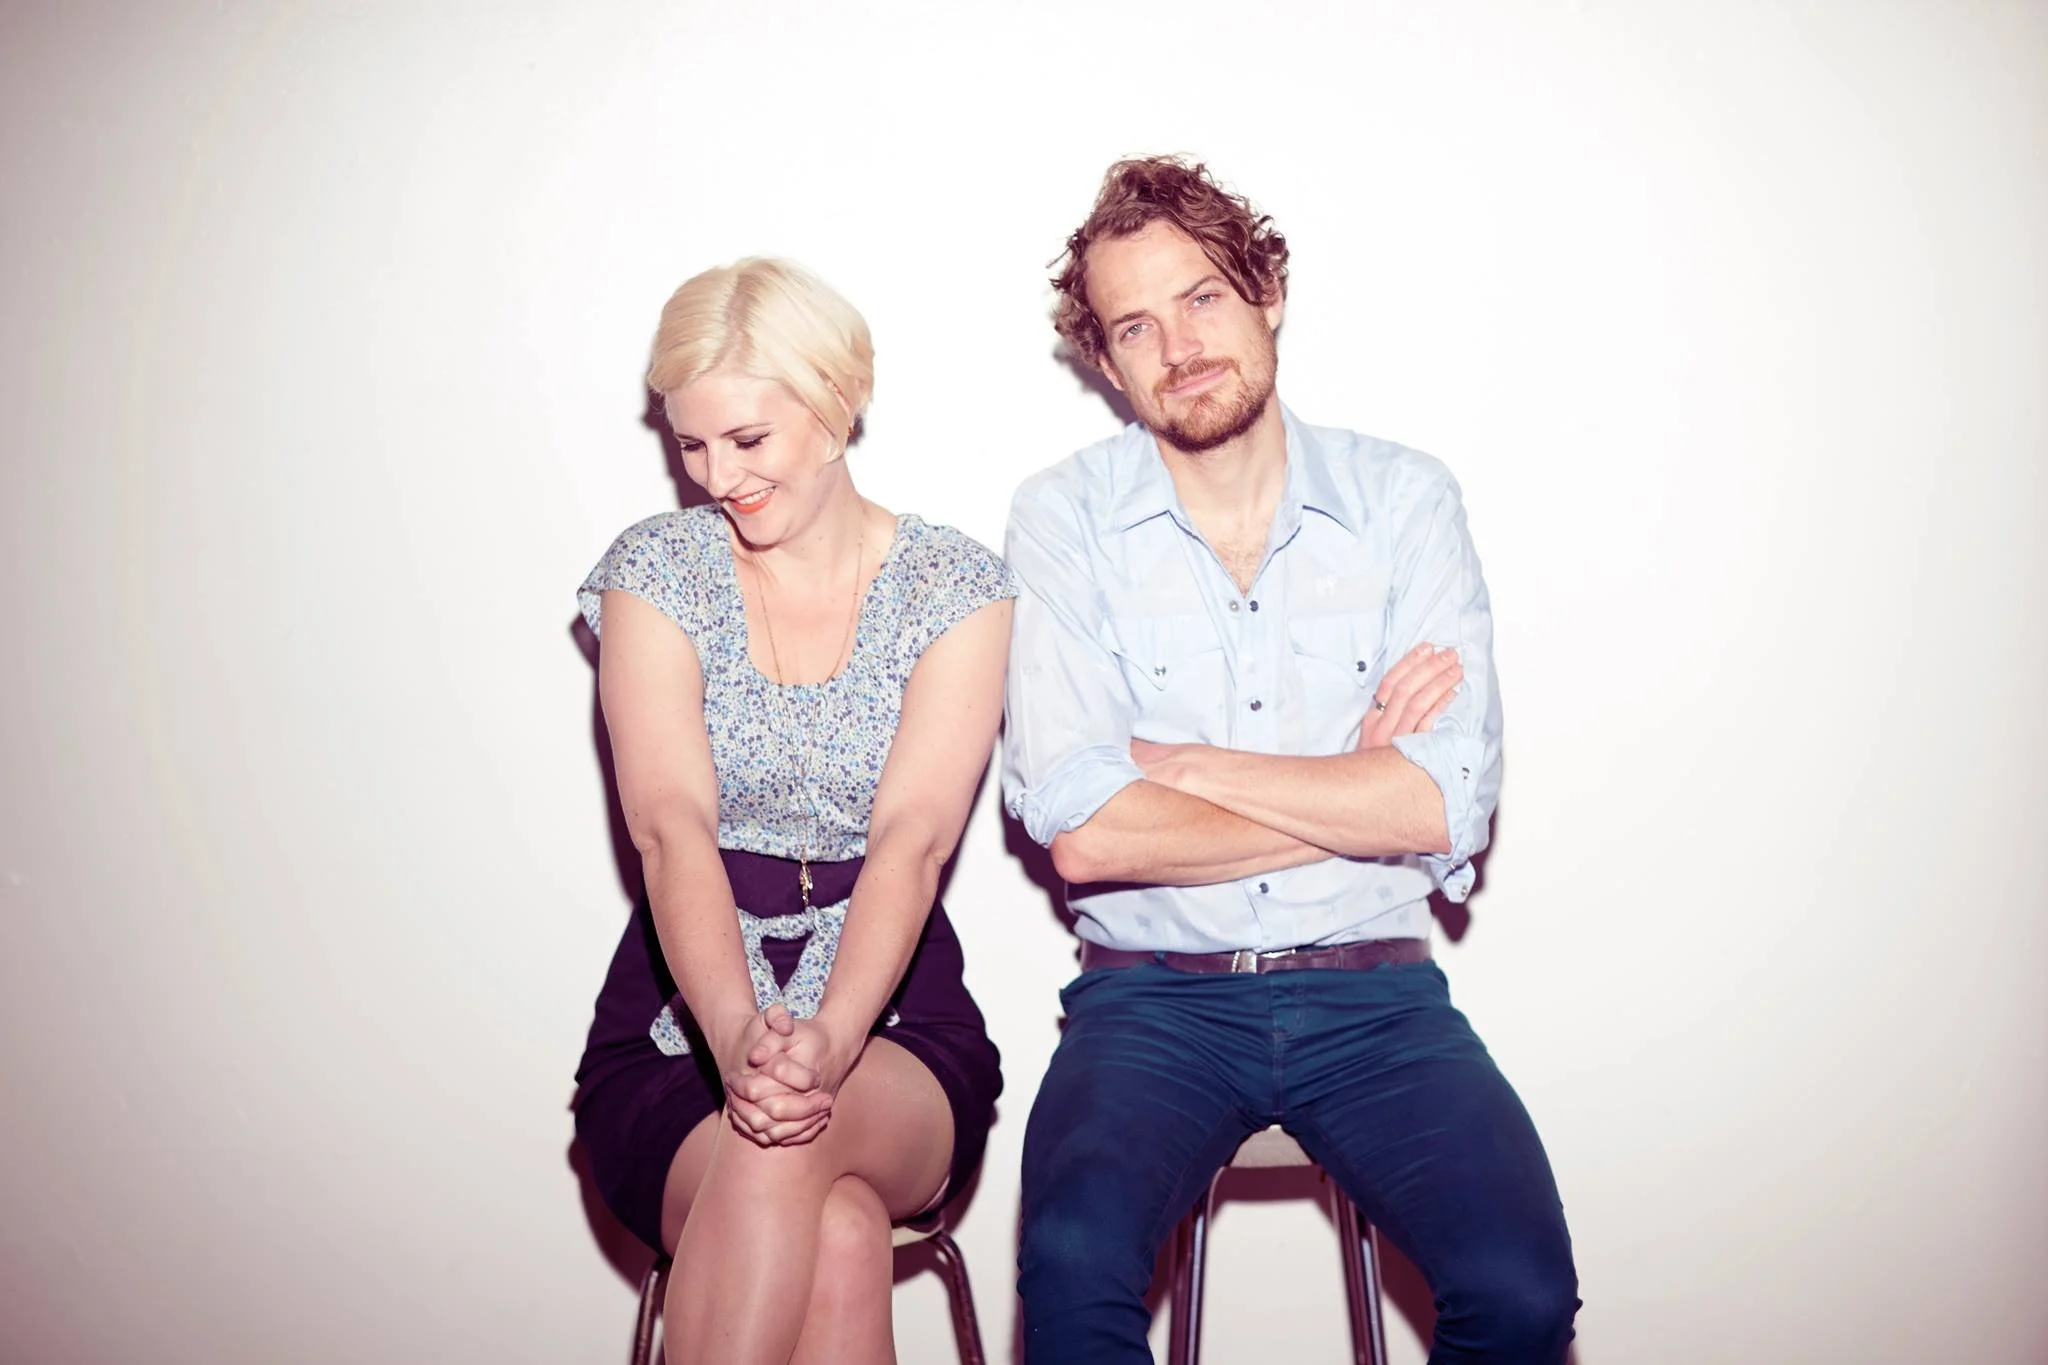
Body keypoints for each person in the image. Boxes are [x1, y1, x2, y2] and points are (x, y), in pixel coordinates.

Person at [1001, 157, 1579, 1363]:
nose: (1178, 347)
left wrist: (1183, 765)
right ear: (1103, 362)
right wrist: (1349, 786)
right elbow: (1086, 835)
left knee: (1519, 1294)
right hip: (1148, 1002)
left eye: (1202, 298)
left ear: (1265, 292)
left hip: (1375, 997)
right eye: (1134, 326)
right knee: (1067, 1276)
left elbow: (1440, 802)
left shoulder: (1403, 500)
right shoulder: (1062, 517)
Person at [573, 257, 1013, 1365]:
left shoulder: (953, 588)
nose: (716, 476)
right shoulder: (656, 572)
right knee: (842, 1232)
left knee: (782, 1142)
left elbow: (912, 843)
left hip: (893, 1021)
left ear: (834, 404)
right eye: (690, 445)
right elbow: (669, 828)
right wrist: (735, 1036)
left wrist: (827, 1040)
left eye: (747, 439)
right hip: (677, 1029)